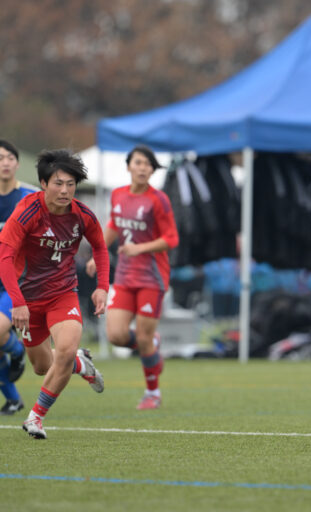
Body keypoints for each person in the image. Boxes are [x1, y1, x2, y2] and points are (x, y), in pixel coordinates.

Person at [0, 149, 109, 439]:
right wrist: (18, 303)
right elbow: (5, 257)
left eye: (70, 184)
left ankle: (35, 417)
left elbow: (100, 247)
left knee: (65, 349)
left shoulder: (82, 214)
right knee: (42, 366)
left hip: (63, 294)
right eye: (58, 183)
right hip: (27, 300)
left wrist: (102, 287)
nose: (65, 191)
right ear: (43, 183)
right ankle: (79, 364)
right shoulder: (27, 211)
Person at [86, 146, 178, 410]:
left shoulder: (158, 200)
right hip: (125, 276)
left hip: (152, 277)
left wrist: (140, 248)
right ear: (129, 166)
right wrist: (97, 254)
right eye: (138, 162)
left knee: (144, 338)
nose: (142, 168)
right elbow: (114, 225)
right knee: (116, 335)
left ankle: (152, 393)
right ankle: (152, 343)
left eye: (148, 164)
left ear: (152, 170)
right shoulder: (118, 194)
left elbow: (171, 238)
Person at [0, 140, 35, 414]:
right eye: (0, 158)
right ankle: (13, 399)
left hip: (16, 281)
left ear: (18, 163)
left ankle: (18, 351)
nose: (5, 162)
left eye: (10, 157)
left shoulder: (30, 197)